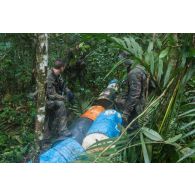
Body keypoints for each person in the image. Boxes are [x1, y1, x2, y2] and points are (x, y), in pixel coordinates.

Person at [115, 52, 148, 132]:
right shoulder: (137, 67)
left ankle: (132, 139)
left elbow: (134, 94)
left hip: (136, 106)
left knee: (132, 127)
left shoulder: (134, 72)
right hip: (137, 102)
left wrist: (126, 112)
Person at [44, 59, 74, 142]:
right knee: (61, 104)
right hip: (46, 100)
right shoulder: (49, 76)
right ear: (61, 67)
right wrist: (64, 98)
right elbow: (51, 95)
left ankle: (48, 137)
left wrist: (68, 92)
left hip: (51, 99)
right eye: (63, 67)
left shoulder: (58, 75)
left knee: (50, 118)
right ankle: (63, 130)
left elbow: (63, 85)